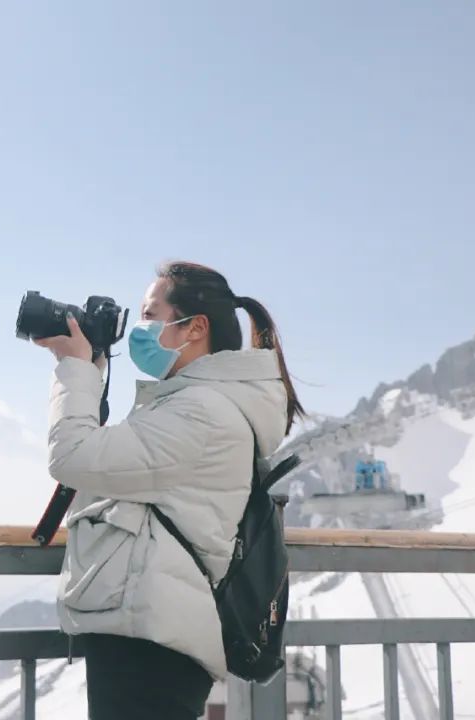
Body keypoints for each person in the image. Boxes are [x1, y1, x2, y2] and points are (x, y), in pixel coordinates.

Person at [35, 261, 304, 720]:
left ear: (194, 328)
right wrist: (93, 370)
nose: (139, 328)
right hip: (151, 628)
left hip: (152, 640)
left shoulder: (201, 411)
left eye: (150, 314)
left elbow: (74, 457)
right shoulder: (196, 405)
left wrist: (75, 369)